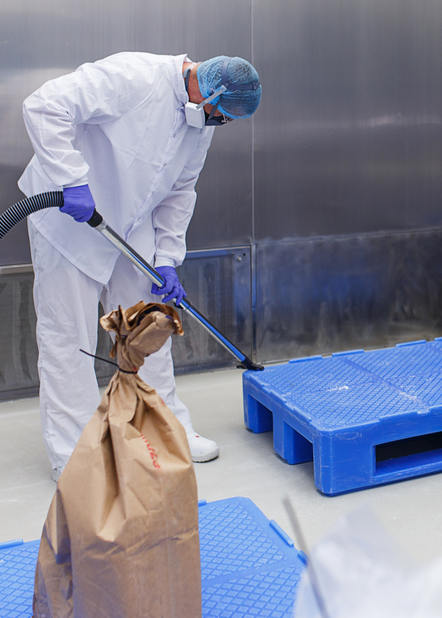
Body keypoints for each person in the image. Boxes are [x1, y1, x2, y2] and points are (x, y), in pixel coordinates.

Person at [18, 52, 261, 480]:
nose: (222, 123)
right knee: (68, 337)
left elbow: (180, 192)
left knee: (150, 326)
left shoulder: (201, 123)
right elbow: (43, 105)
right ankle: (75, 455)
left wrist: (167, 259)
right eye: (222, 114)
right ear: (210, 91)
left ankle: (165, 428)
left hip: (130, 227)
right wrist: (70, 178)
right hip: (70, 220)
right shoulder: (133, 77)